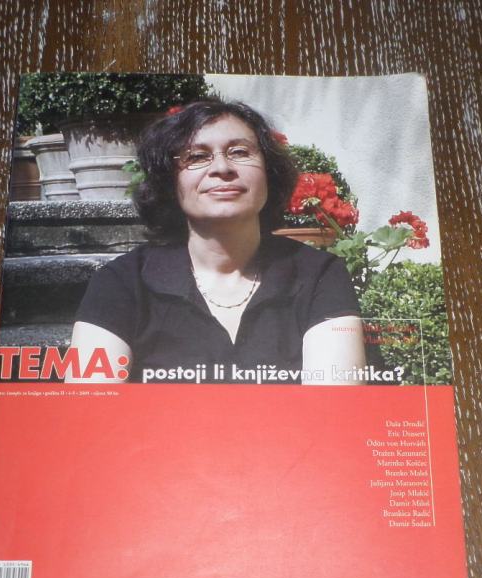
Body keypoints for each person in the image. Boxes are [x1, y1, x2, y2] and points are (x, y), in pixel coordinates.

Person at [70, 99, 365, 384]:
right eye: (196, 157)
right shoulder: (121, 283)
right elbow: (89, 408)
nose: (222, 168)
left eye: (239, 152)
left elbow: (333, 407)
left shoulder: (320, 275)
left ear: (269, 172)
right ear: (168, 181)